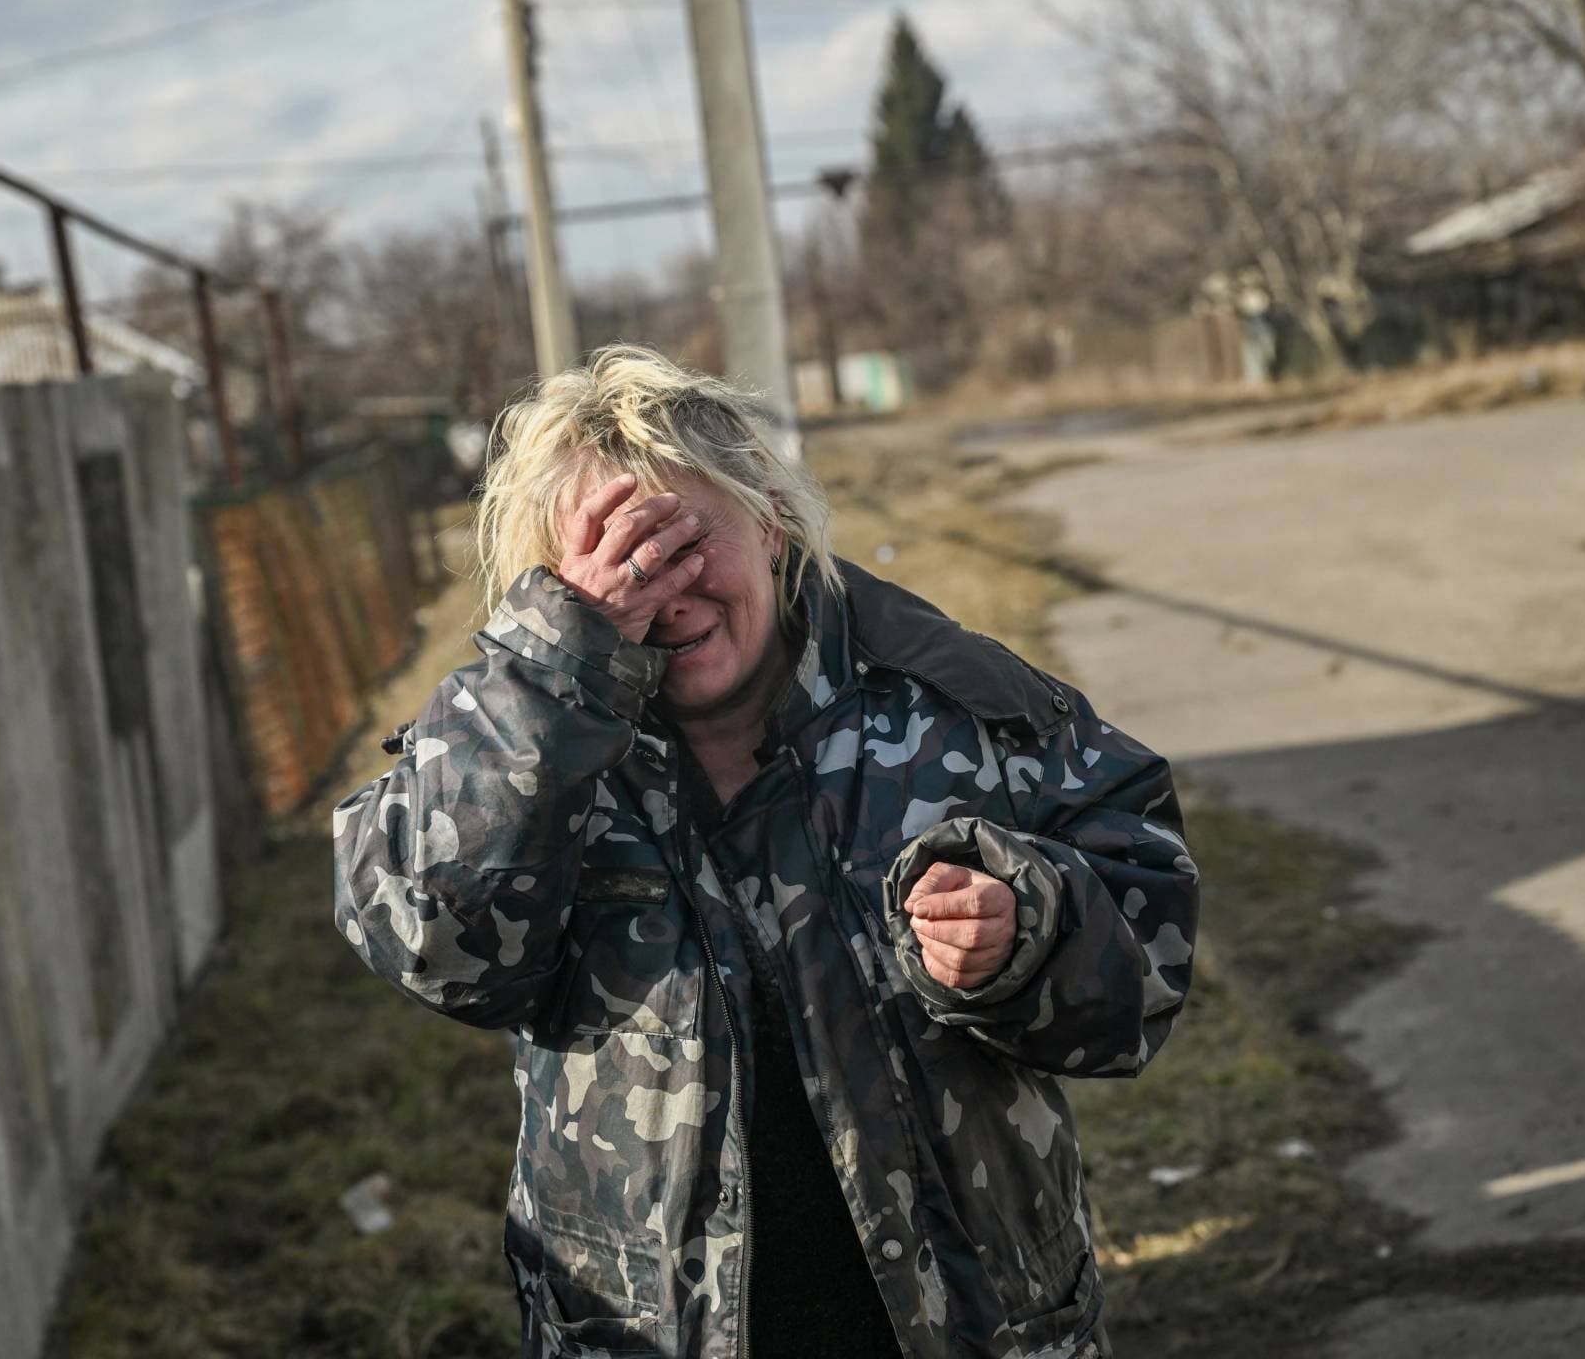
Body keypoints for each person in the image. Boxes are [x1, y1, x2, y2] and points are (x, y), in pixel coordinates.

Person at [332, 345, 1199, 1359]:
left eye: (685, 542)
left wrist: (1029, 933)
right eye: (618, 561)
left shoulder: (951, 707)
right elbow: (432, 945)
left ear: (772, 521)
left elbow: (1147, 944)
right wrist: (563, 667)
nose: (665, 595)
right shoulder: (516, 741)